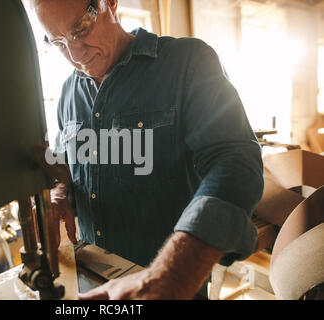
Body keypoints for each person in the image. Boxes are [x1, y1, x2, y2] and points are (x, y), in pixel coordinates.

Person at [29, 0, 264, 299]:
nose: (75, 53)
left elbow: (235, 164)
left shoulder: (187, 63)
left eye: (80, 28)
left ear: (110, 4)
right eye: (59, 42)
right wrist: (60, 190)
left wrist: (172, 275)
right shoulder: (68, 92)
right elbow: (64, 160)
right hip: (95, 280)